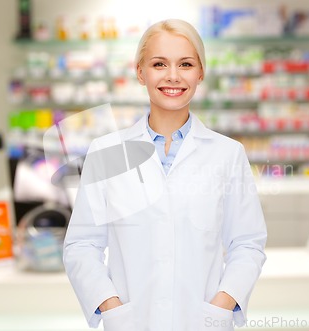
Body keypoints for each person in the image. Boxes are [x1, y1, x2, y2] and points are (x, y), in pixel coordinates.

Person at [63, 19, 267, 331]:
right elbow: (81, 245)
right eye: (159, 64)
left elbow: (247, 244)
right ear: (140, 72)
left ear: (200, 73)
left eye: (185, 64)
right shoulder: (106, 152)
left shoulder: (227, 154)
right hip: (131, 321)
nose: (173, 76)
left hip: (203, 322)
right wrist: (111, 306)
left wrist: (221, 305)